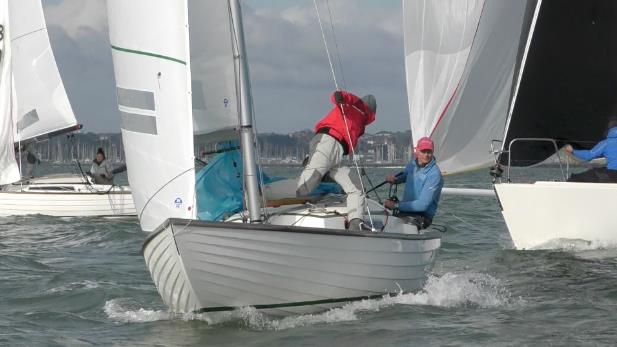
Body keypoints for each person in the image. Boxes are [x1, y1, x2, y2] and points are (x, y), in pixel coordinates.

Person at [296, 90, 376, 231]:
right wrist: (341, 96)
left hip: (337, 152)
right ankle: (271, 198)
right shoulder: (357, 107)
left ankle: (355, 222)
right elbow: (343, 98)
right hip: (328, 142)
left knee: (356, 188)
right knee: (308, 183)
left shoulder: (360, 121)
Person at [383, 137, 444, 229]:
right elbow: (406, 175)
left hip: (422, 216)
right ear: (417, 151)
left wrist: (395, 205)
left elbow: (422, 205)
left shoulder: (434, 174)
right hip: (405, 211)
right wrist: (395, 179)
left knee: (398, 228)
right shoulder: (412, 165)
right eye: (423, 152)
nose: (426, 155)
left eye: (429, 152)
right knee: (384, 223)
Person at [564, 116, 617, 183]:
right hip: (612, 173)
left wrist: (573, 151)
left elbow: (589, 155)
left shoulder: (606, 143)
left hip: (612, 174)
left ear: (609, 130)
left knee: (576, 178)